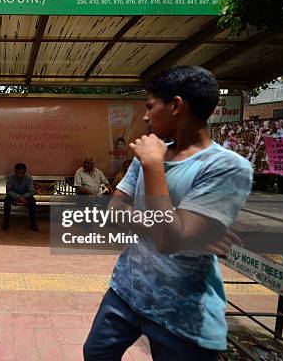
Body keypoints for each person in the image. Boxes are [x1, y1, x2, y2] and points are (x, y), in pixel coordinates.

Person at [83, 66, 252, 360]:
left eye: (150, 107)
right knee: (95, 353)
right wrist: (186, 234)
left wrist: (153, 168)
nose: (146, 117)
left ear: (176, 106)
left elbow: (167, 240)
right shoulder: (149, 153)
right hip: (127, 291)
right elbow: (114, 212)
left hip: (183, 313)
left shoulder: (226, 167)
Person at [3, 163, 38, 232]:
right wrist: (19, 197)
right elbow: (8, 191)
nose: (18, 175)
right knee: (7, 200)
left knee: (33, 201)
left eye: (21, 173)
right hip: (14, 196)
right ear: (14, 171)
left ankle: (33, 222)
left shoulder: (29, 178)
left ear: (24, 173)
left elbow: (31, 191)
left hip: (25, 196)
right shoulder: (10, 177)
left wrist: (22, 197)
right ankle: (6, 221)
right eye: (16, 173)